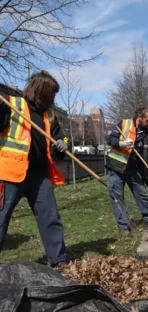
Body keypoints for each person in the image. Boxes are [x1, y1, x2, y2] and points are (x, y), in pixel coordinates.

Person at [0, 71, 69, 267]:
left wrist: (63, 144)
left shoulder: (50, 115)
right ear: (43, 92)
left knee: (50, 217)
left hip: (39, 176)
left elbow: (62, 137)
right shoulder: (12, 106)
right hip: (9, 173)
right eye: (53, 94)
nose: (54, 99)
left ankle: (59, 259)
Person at [106, 107, 148, 236]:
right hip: (117, 167)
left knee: (142, 194)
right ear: (139, 116)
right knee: (117, 198)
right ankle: (123, 227)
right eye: (147, 120)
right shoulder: (123, 124)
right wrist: (122, 143)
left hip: (133, 170)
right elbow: (110, 139)